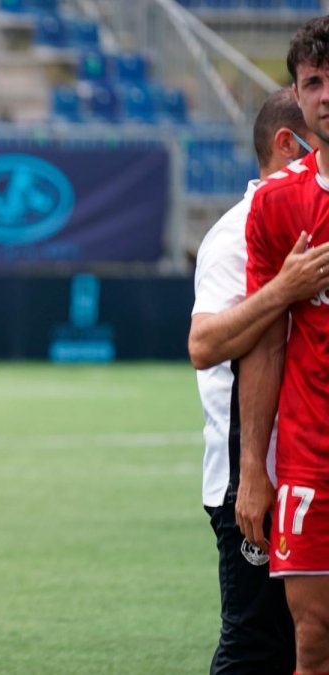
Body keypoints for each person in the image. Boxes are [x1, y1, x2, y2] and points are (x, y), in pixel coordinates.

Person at [189, 87, 329, 675]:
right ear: (287, 142)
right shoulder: (236, 231)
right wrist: (282, 289)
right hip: (254, 478)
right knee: (256, 647)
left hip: (305, 463)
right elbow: (205, 344)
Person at [238, 16, 329, 675]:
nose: (326, 93)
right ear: (298, 98)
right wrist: (251, 470)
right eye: (313, 81)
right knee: (313, 636)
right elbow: (264, 347)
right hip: (311, 457)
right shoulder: (274, 205)